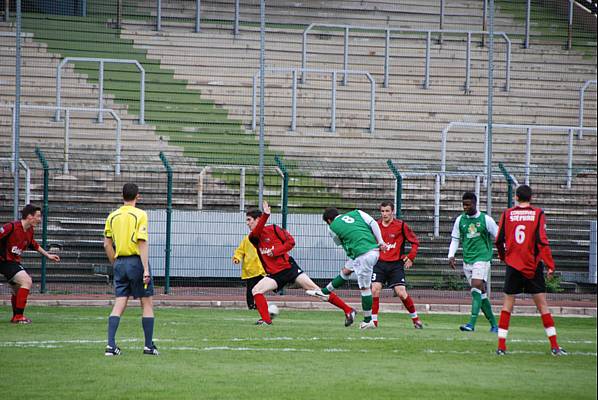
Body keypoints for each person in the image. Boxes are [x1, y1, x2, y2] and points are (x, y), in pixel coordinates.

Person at [248, 200, 356, 326]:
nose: (247, 223)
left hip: (289, 268)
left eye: (249, 220)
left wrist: (276, 251)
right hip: (275, 274)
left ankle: (348, 310)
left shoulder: (274, 229)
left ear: (258, 219)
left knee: (317, 290)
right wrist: (266, 215)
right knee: (256, 290)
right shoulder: (253, 237)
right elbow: (257, 232)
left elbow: (291, 242)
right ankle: (266, 320)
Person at [494, 184, 566, 356]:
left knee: (507, 306)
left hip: (513, 265)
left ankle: (501, 347)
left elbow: (498, 239)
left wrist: (504, 256)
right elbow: (542, 240)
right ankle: (555, 346)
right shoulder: (538, 214)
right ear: (531, 198)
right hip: (533, 265)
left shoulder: (507, 214)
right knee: (543, 306)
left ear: (516, 197)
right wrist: (550, 264)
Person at [103, 183, 158, 356]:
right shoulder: (140, 214)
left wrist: (115, 263)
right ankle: (148, 346)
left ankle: (111, 345)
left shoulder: (112, 216)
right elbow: (141, 242)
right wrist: (145, 269)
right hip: (136, 262)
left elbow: (107, 244)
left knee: (120, 302)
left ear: (122, 196)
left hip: (120, 262)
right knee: (146, 302)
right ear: (138, 196)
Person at [311, 207, 388, 330]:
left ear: (329, 220)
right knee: (346, 270)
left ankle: (368, 321)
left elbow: (340, 243)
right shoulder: (357, 213)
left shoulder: (332, 228)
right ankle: (325, 291)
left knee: (365, 288)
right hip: (371, 249)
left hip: (363, 254)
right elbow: (373, 223)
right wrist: (381, 241)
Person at [0, 204, 60, 324]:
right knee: (26, 281)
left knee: (18, 289)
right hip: (4, 261)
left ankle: (16, 317)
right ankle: (18, 317)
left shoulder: (29, 231)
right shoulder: (11, 227)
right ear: (29, 216)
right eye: (37, 216)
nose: (39, 219)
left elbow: (33, 244)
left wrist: (47, 255)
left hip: (11, 263)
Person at [448, 192, 499, 333]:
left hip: (482, 258)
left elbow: (499, 235)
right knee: (480, 294)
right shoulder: (460, 220)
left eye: (468, 205)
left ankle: (471, 324)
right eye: (463, 204)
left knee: (476, 287)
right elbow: (455, 239)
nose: (465, 207)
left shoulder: (486, 220)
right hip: (467, 260)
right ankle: (495, 325)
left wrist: (504, 251)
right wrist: (451, 255)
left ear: (475, 203)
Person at [372, 201, 422, 329]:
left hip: (395, 265)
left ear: (392, 211)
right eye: (382, 211)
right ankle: (374, 322)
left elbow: (415, 242)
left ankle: (416, 319)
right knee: (375, 290)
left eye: (387, 211)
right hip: (379, 263)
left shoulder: (401, 226)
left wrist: (411, 257)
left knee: (401, 292)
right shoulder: (375, 225)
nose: (385, 214)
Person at [233, 233, 266, 309]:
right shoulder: (246, 239)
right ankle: (251, 305)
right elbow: (240, 250)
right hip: (250, 269)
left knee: (260, 289)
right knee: (250, 289)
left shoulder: (264, 239)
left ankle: (258, 305)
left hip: (261, 269)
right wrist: (237, 258)